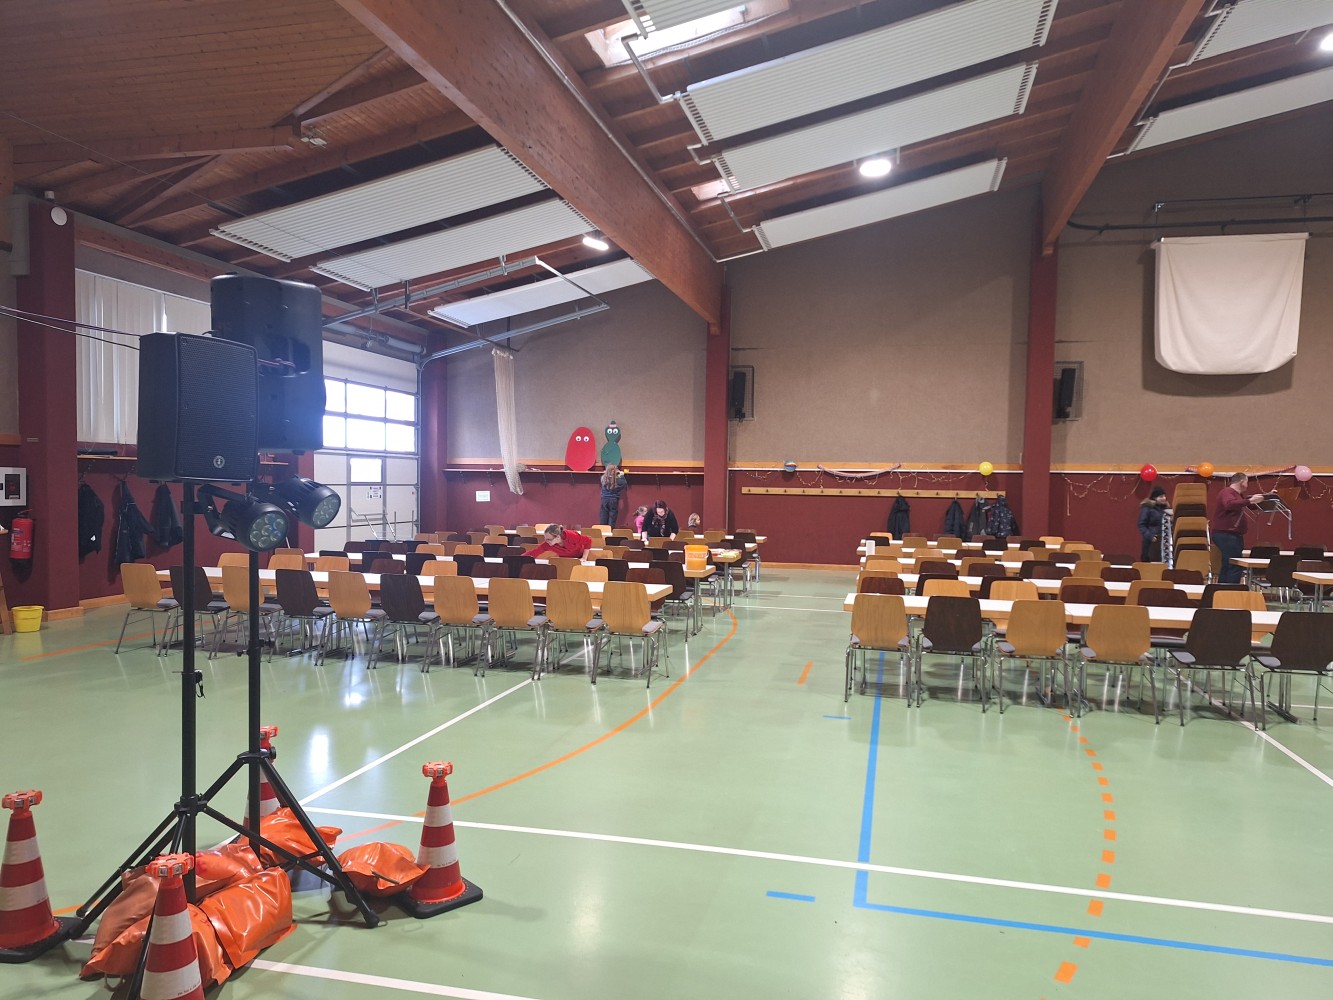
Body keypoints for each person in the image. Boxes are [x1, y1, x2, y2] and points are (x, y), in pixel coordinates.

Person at [1211, 472, 1266, 584]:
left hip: (1232, 535)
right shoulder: (1227, 492)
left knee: (1228, 564)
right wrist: (1250, 500)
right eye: (1246, 482)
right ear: (1242, 482)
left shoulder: (1238, 495)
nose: (1247, 485)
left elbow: (1247, 504)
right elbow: (1229, 504)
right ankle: (1232, 589)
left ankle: (1222, 588)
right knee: (1235, 564)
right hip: (1226, 534)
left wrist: (1266, 497)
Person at [525, 523, 595, 560]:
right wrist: (520, 558)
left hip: (580, 558)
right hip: (565, 561)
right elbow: (534, 552)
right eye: (545, 538)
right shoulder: (547, 544)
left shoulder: (571, 535)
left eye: (549, 539)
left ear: (558, 537)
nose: (546, 541)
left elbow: (588, 540)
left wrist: (584, 557)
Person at [1137, 486, 1169, 561]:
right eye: (1161, 496)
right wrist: (1150, 536)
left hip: (1163, 541)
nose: (1164, 498)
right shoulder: (1147, 508)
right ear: (1155, 498)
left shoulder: (1166, 509)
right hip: (1150, 541)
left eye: (1164, 496)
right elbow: (1141, 524)